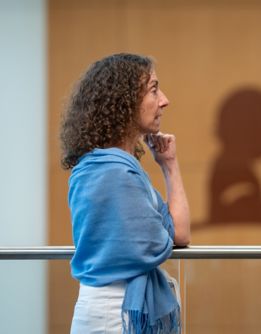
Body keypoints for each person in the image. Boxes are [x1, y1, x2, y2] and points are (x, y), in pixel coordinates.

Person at [60, 53, 191, 334]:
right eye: (154, 90)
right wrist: (160, 229)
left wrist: (170, 166)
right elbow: (155, 244)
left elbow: (179, 234)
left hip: (122, 312)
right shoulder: (110, 173)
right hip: (113, 315)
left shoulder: (123, 170)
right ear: (125, 101)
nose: (164, 100)